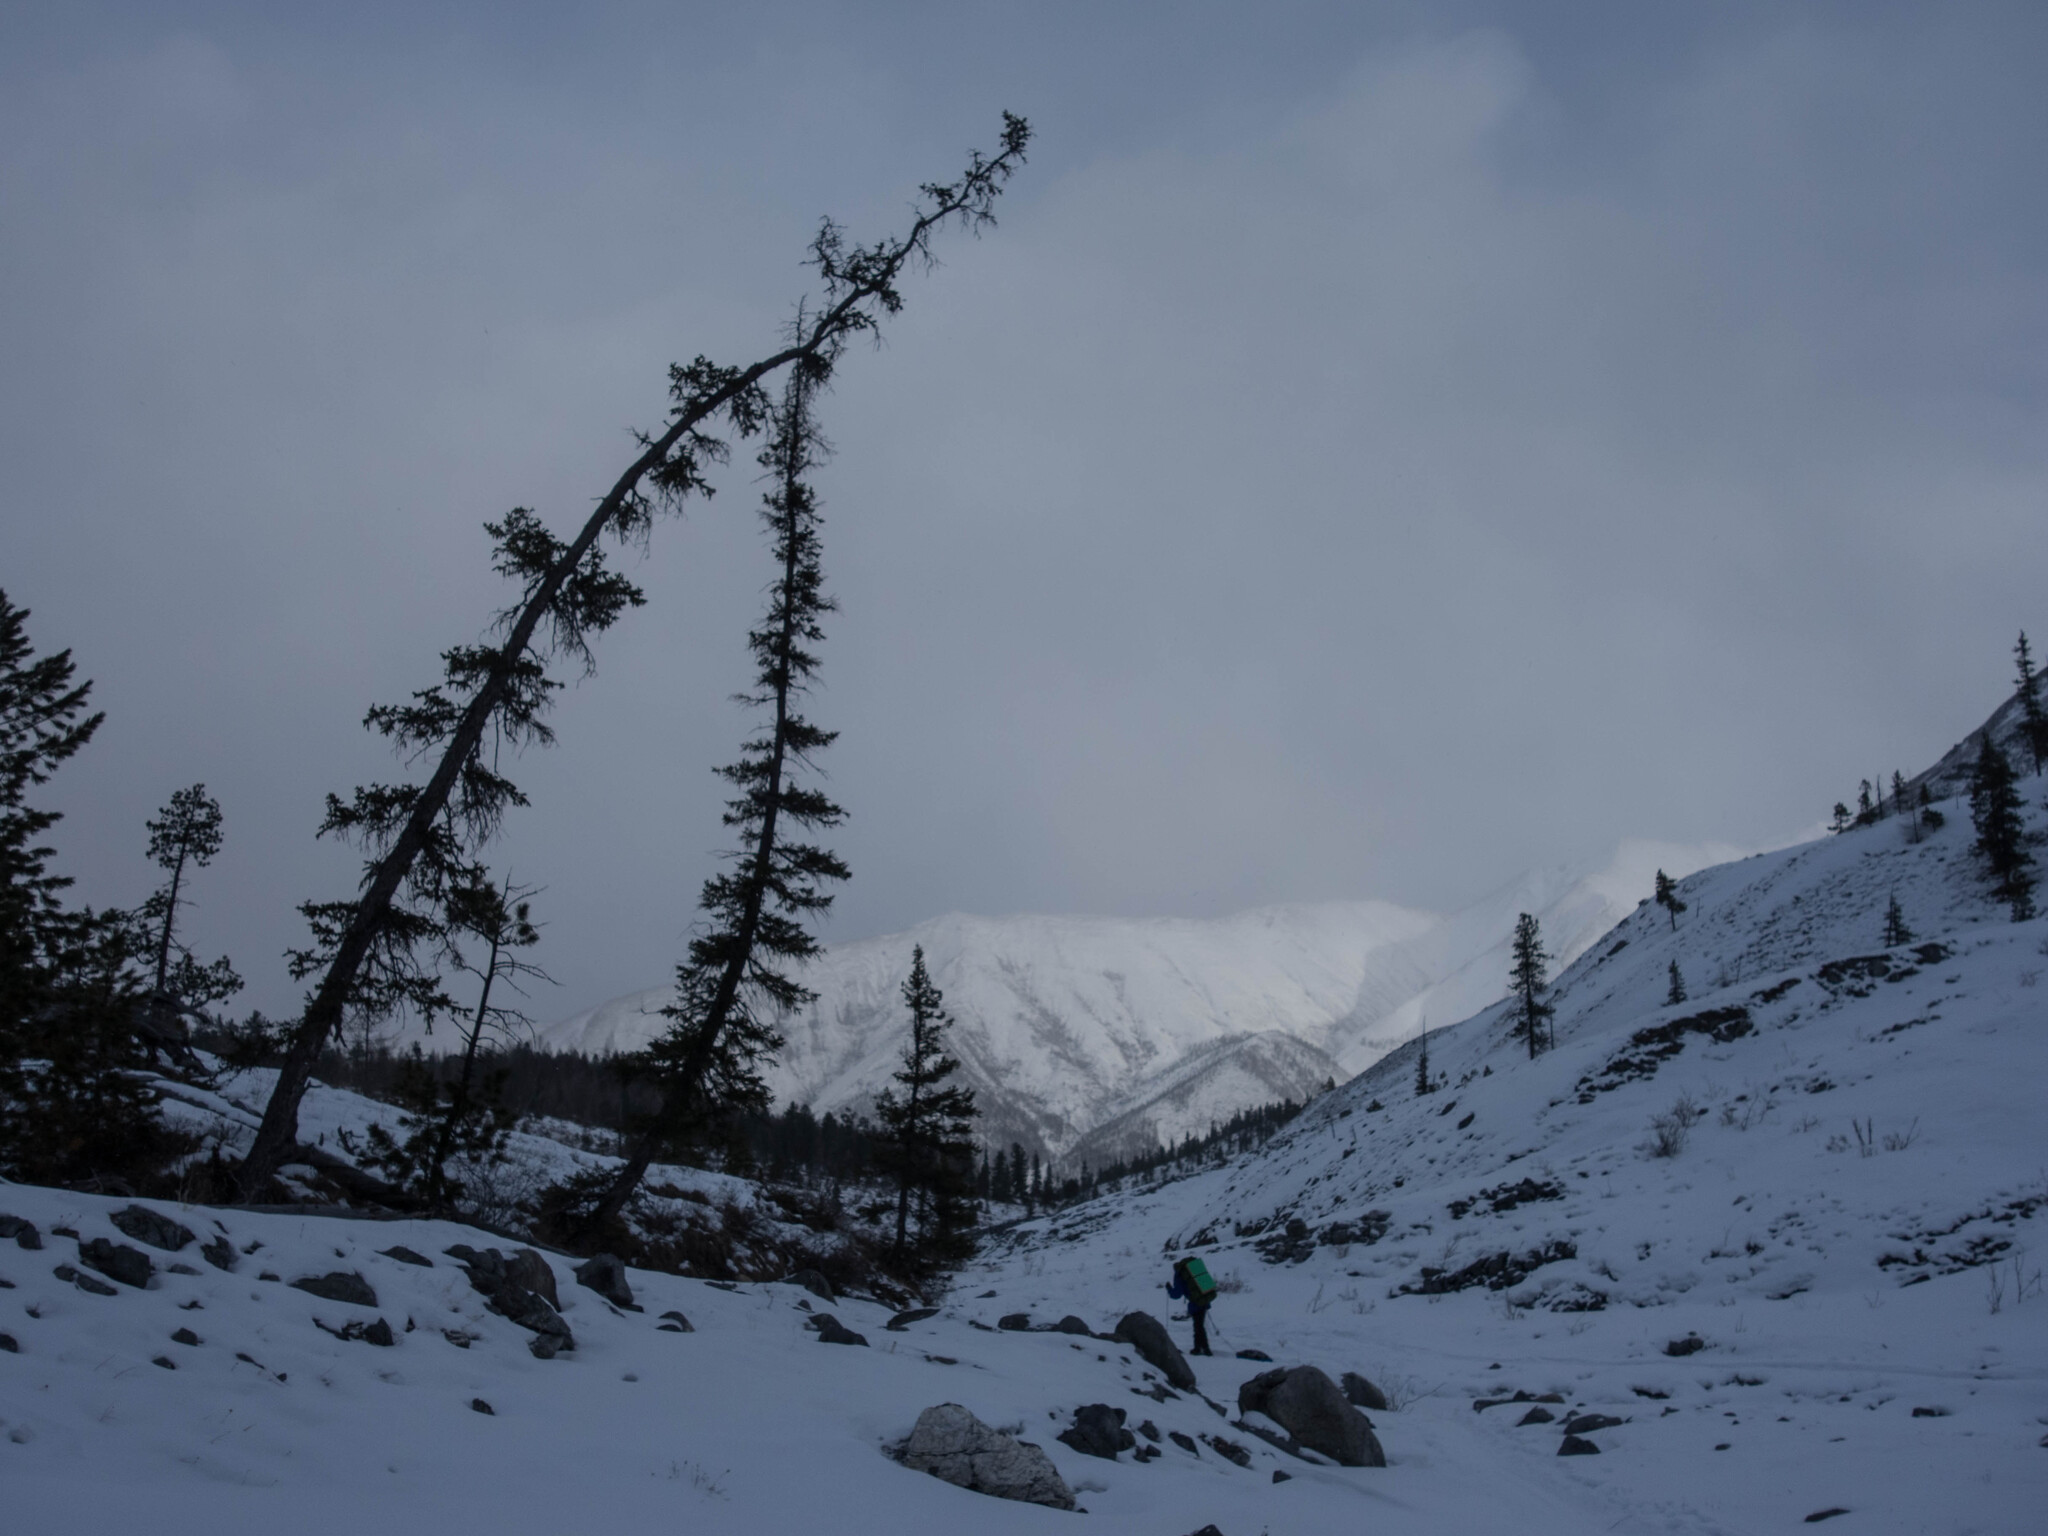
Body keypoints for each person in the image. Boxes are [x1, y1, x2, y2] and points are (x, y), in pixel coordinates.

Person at [1166, 1260, 1213, 1356]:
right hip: (1204, 1299)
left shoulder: (1179, 1275)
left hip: (1195, 1302)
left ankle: (1202, 1349)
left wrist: (1169, 1289)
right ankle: (1201, 1347)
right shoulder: (1193, 1270)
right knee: (1199, 1325)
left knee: (1198, 1326)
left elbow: (1176, 1294)